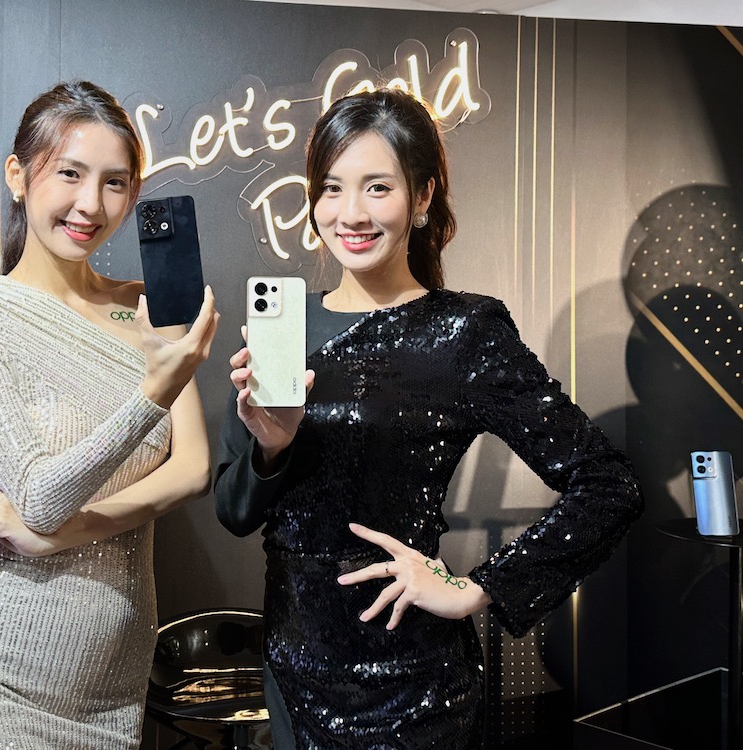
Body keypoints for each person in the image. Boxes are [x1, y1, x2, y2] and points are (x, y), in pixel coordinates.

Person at [214, 88, 643, 749]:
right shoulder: (281, 327)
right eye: (331, 188)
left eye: (377, 188)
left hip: (414, 689)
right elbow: (235, 512)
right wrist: (272, 449)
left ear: (421, 198)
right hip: (293, 673)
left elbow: (609, 484)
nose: (350, 213)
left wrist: (477, 588)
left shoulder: (463, 333)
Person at [0, 80, 219, 750]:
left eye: (114, 182)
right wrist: (152, 394)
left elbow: (194, 469)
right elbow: (41, 497)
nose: (90, 205)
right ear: (18, 176)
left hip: (110, 688)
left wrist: (62, 537)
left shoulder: (146, 305)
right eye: (70, 174)